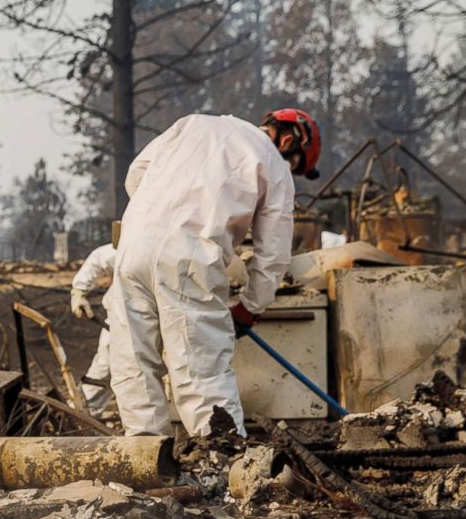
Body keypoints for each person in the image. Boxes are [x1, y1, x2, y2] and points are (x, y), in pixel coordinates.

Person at [108, 109, 320, 437]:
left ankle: (149, 465)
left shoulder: (190, 123)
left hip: (133, 246)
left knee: (134, 364)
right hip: (190, 257)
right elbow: (274, 256)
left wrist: (164, 214)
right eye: (296, 165)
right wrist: (250, 307)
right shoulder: (273, 164)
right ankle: (223, 470)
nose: (292, 171)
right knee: (202, 374)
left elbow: (135, 175)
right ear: (289, 141)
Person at [70, 243, 117, 416]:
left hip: (170, 322)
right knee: (106, 367)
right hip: (123, 321)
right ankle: (82, 415)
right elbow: (99, 258)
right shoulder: (141, 238)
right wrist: (79, 290)